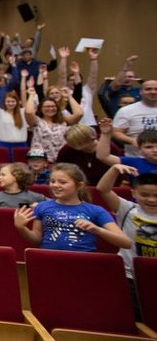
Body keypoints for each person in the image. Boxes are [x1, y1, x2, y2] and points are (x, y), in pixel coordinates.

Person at [14, 163, 130, 252]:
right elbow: (37, 239)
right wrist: (21, 228)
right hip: (49, 260)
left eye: (62, 182)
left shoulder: (96, 210)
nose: (55, 185)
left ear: (79, 185)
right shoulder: (42, 207)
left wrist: (97, 230)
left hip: (83, 262)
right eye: (52, 181)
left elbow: (126, 243)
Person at [96, 163, 157, 320]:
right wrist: (114, 169)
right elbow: (103, 189)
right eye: (144, 195)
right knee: (135, 318)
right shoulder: (128, 210)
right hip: (130, 277)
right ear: (134, 193)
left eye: (156, 195)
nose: (151, 199)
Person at [111, 79, 157, 157]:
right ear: (140, 92)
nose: (153, 92)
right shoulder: (126, 110)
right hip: (136, 158)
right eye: (148, 89)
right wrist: (132, 140)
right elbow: (116, 132)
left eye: (156, 89)